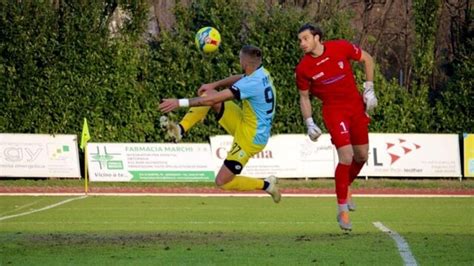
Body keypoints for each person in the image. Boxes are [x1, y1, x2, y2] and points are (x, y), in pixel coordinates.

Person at [159, 45, 281, 203]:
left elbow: (212, 100)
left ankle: (266, 185)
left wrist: (179, 102)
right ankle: (180, 130)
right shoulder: (262, 73)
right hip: (244, 122)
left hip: (251, 138)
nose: (239, 61)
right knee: (209, 93)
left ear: (245, 62)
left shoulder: (251, 84)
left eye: (239, 58)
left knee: (222, 181)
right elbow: (239, 78)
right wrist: (214, 85)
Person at [294, 24, 377, 231]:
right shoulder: (303, 68)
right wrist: (309, 122)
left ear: (317, 38)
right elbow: (304, 97)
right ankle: (342, 210)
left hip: (356, 107)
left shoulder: (340, 47)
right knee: (346, 157)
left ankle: (345, 186)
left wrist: (369, 88)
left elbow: (367, 58)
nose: (302, 44)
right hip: (333, 111)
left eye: (305, 39)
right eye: (300, 40)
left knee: (362, 156)